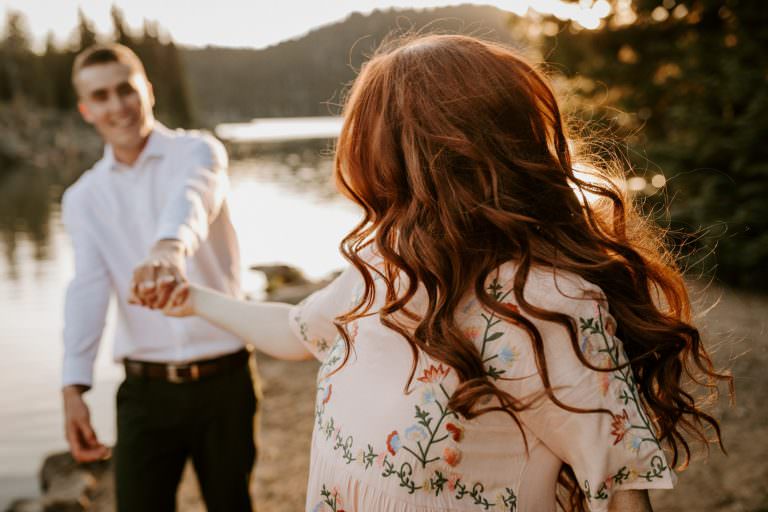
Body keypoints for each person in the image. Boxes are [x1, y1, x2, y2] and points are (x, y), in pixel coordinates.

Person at [137, 34, 731, 511]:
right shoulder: (381, 263)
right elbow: (297, 332)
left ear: (422, 152)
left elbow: (620, 483)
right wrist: (192, 299)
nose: (356, 157)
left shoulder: (546, 300)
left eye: (370, 135)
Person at [60, 43, 259, 512]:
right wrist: (73, 385)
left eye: (125, 90)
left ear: (147, 90)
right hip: (144, 394)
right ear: (86, 109)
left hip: (224, 380)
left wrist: (169, 249)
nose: (117, 106)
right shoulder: (82, 197)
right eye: (101, 96)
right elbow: (87, 290)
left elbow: (194, 199)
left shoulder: (198, 150)